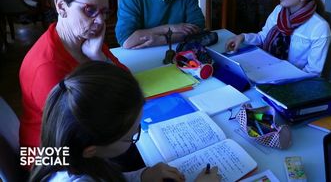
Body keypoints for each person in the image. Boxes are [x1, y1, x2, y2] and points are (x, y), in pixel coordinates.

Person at [29, 61, 220, 181]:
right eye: (132, 136)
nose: (137, 133)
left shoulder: (71, 155)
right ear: (91, 150)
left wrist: (142, 175)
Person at [19, 0, 127, 150]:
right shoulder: (47, 67)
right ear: (61, 7)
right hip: (48, 156)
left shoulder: (86, 38)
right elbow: (79, 131)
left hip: (82, 139)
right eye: (89, 10)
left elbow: (126, 82)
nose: (100, 21)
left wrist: (97, 56)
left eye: (104, 12)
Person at [226, 0, 331, 76]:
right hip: (266, 69)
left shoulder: (319, 27)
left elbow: (312, 72)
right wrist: (242, 37)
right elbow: (263, 37)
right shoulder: (279, 11)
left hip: (292, 81)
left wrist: (282, 80)